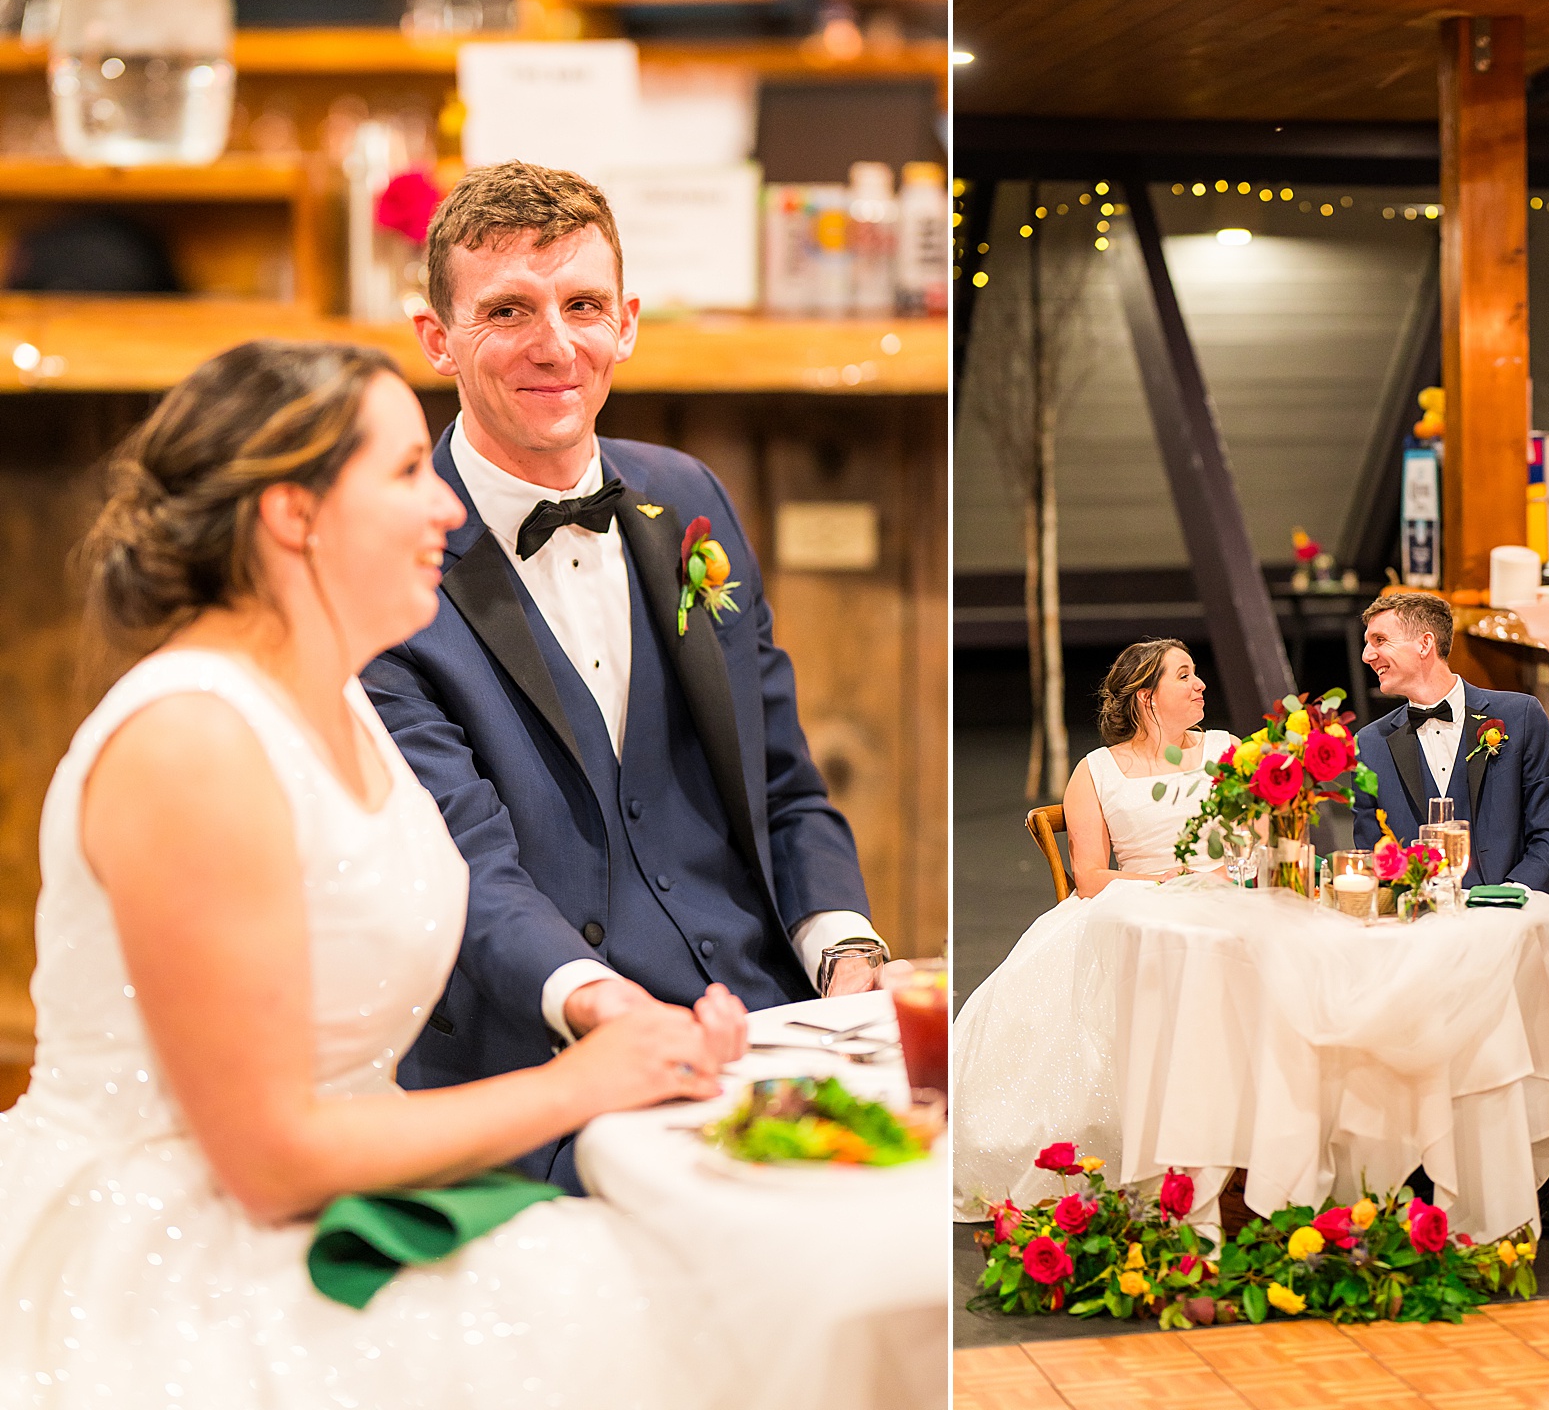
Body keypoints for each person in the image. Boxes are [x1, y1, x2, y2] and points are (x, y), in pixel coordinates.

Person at [0, 341, 802, 1405]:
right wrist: (573, 1084)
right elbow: (269, 1153)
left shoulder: (332, 701)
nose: (445, 509)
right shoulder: (192, 739)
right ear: (295, 513)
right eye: (401, 473)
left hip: (348, 1194)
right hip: (174, 1249)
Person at [362, 162, 901, 1193]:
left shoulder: (684, 495)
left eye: (582, 305)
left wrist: (845, 956)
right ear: (438, 337)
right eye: (507, 310)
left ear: (628, 322)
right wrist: (604, 1008)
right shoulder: (392, 556)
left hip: (772, 1023)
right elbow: (464, 868)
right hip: (548, 1054)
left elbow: (781, 777)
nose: (554, 344)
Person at [952, 639, 1230, 1221]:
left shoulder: (1225, 751)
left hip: (1224, 899)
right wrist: (1168, 878)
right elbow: (1092, 877)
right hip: (1132, 903)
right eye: (1185, 675)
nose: (1201, 684)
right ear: (1146, 697)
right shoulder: (1096, 770)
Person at [1351, 591, 1549, 1237]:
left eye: (1379, 641)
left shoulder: (1518, 716)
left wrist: (1512, 898)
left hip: (1516, 909)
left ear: (1424, 643)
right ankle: (1419, 1157)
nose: (1369, 656)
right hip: (1424, 919)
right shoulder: (1371, 744)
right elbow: (1373, 849)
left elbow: (1548, 831)